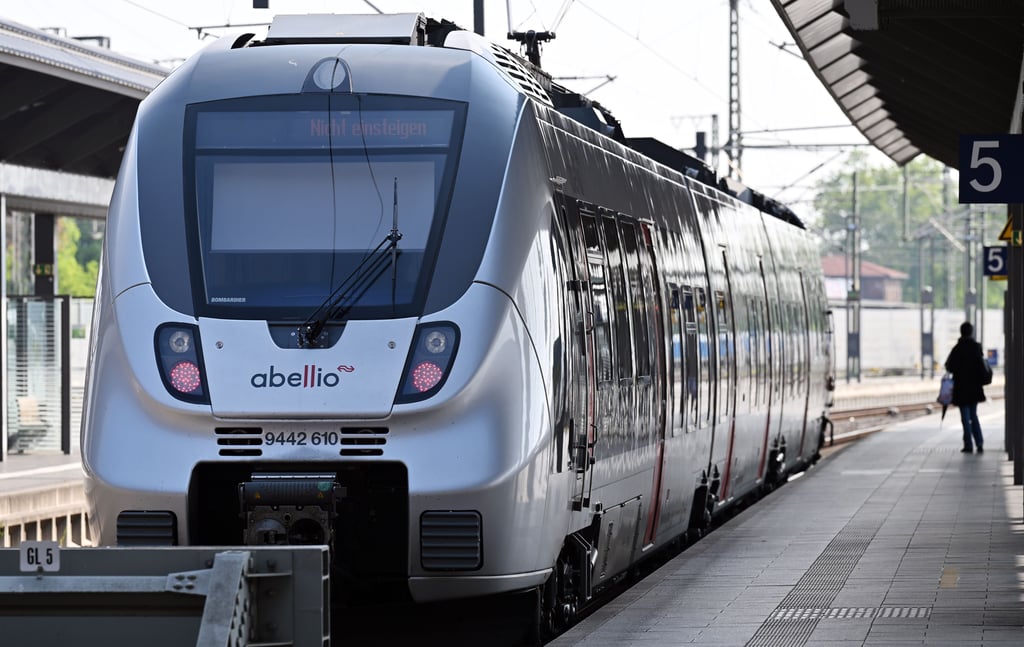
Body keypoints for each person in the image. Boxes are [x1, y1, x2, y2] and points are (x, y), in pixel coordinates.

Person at [944, 321, 987, 453]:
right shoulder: (976, 347)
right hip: (974, 387)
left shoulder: (957, 348)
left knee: (964, 417)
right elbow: (982, 366)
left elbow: (949, 366)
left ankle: (968, 445)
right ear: (971, 332)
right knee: (973, 415)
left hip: (961, 388)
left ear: (961, 332)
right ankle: (979, 442)